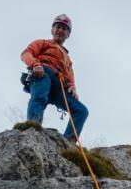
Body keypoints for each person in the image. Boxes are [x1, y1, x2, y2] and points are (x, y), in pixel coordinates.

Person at [21, 14, 88, 143]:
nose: (60, 30)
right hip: (43, 73)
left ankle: (69, 142)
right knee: (39, 98)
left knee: (81, 110)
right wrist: (36, 64)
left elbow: (70, 76)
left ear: (68, 34)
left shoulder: (67, 59)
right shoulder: (43, 43)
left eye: (64, 28)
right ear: (52, 30)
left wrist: (72, 87)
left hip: (60, 85)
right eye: (58, 27)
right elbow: (26, 54)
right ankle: (32, 129)